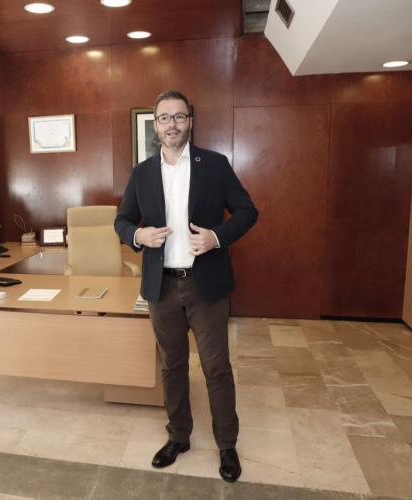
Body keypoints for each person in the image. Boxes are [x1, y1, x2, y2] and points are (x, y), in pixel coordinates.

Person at [115, 90, 258, 482]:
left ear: (190, 121)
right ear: (157, 125)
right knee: (172, 366)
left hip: (205, 285)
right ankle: (179, 436)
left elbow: (247, 211)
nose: (172, 124)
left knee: (216, 367)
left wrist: (217, 237)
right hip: (161, 287)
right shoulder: (142, 173)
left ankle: (227, 444)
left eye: (179, 117)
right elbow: (122, 220)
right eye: (164, 118)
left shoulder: (214, 164)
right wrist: (138, 236)